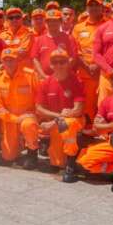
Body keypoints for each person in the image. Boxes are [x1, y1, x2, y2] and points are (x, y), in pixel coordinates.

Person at [35, 50, 85, 182]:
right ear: (51, 65)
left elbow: (78, 109)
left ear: (68, 63)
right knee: (57, 163)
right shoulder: (45, 83)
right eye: (55, 62)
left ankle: (71, 164)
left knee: (68, 124)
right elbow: (39, 108)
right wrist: (57, 117)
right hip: (57, 122)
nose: (58, 65)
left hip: (74, 120)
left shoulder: (75, 80)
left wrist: (59, 119)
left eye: (62, 62)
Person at [0, 48, 40, 168]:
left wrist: (36, 115)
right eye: (6, 60)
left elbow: (40, 97)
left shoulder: (30, 75)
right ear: (2, 63)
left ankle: (32, 153)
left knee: (28, 125)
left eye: (12, 60)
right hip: (9, 119)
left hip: (28, 116)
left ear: (17, 60)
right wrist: (15, 119)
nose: (9, 63)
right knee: (8, 156)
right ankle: (20, 144)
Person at [72, 0, 106, 119]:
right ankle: (88, 127)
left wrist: (98, 65)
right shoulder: (78, 27)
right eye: (91, 5)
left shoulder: (109, 25)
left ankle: (103, 128)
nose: (94, 8)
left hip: (104, 72)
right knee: (87, 103)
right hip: (85, 72)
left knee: (104, 102)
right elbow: (75, 50)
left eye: (97, 5)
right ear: (86, 8)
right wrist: (87, 67)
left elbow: (110, 49)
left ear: (102, 7)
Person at [30, 9, 78, 81]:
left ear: (60, 22)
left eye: (55, 20)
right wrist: (43, 76)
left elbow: (73, 58)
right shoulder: (39, 40)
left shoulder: (69, 38)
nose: (52, 23)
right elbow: (35, 59)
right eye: (49, 21)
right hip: (44, 80)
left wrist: (61, 73)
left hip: (64, 79)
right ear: (46, 22)